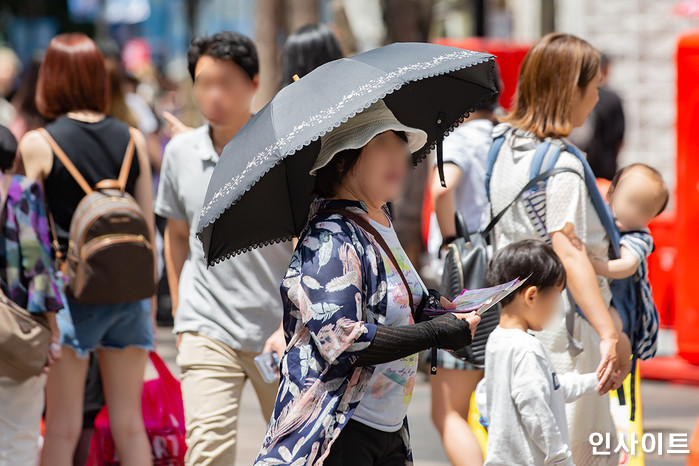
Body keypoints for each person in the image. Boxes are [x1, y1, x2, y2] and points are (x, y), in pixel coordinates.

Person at [256, 99, 482, 465]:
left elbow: (396, 300)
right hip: (339, 433)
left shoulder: (379, 218)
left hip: (387, 427)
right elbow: (342, 339)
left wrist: (433, 310)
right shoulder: (329, 236)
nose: (398, 158)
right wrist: (436, 333)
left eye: (400, 146)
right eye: (381, 145)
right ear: (343, 159)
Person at [155, 31, 292, 466]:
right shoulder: (179, 153)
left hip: (280, 332)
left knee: (295, 451)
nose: (213, 94)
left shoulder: (282, 153)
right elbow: (176, 235)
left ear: (253, 83)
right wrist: (181, 312)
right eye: (204, 81)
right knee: (207, 452)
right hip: (206, 326)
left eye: (226, 82)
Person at [487, 33, 624, 464]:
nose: (598, 94)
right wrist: (608, 332)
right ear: (571, 90)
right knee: (571, 449)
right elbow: (569, 252)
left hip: (513, 322)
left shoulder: (501, 146)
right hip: (563, 332)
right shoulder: (561, 164)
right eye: (593, 85)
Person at [19, 32, 155, 466]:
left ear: (51, 78)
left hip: (69, 301)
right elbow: (147, 232)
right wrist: (147, 308)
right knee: (129, 425)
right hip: (129, 295)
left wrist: (38, 314)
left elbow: (27, 241)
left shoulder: (39, 143)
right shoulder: (133, 139)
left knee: (62, 427)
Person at [475, 240, 602, 466]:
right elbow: (534, 406)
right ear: (532, 296)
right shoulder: (527, 349)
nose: (557, 305)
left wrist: (596, 381)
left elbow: (547, 389)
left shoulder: (497, 340)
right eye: (557, 295)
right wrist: (559, 457)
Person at [426, 77, 499, 466]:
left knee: (449, 411)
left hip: (469, 285)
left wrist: (451, 239)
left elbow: (443, 189)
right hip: (512, 278)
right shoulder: (507, 136)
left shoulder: (462, 138)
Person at [0, 124, 63, 465]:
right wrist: (52, 333)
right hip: (15, 336)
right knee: (18, 438)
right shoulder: (21, 191)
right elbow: (37, 264)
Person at [591, 164, 668, 359]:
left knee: (614, 325)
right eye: (630, 201)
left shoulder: (639, 236)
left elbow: (627, 265)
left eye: (644, 210)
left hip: (624, 301)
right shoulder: (599, 221)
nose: (633, 212)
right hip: (604, 294)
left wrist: (593, 266)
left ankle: (622, 348)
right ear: (611, 194)